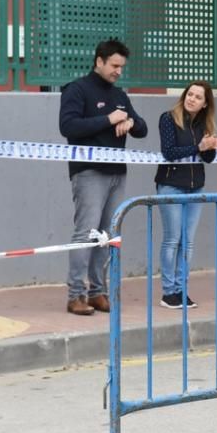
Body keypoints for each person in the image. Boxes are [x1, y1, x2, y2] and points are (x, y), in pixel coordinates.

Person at [59, 39, 147, 315]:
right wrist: (108, 120)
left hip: (117, 174)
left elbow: (142, 129)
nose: (118, 71)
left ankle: (98, 292)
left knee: (106, 236)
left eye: (122, 66)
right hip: (88, 172)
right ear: (99, 61)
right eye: (114, 65)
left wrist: (130, 122)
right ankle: (76, 295)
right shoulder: (77, 89)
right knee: (85, 233)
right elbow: (68, 126)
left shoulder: (120, 96)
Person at [155, 81, 217, 309]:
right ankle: (168, 292)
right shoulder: (168, 118)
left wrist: (211, 146)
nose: (191, 99)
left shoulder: (205, 124)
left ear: (205, 104)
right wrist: (199, 147)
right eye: (189, 94)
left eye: (197, 97)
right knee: (172, 239)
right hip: (171, 184)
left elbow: (209, 160)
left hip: (196, 186)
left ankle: (181, 290)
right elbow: (169, 152)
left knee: (188, 242)